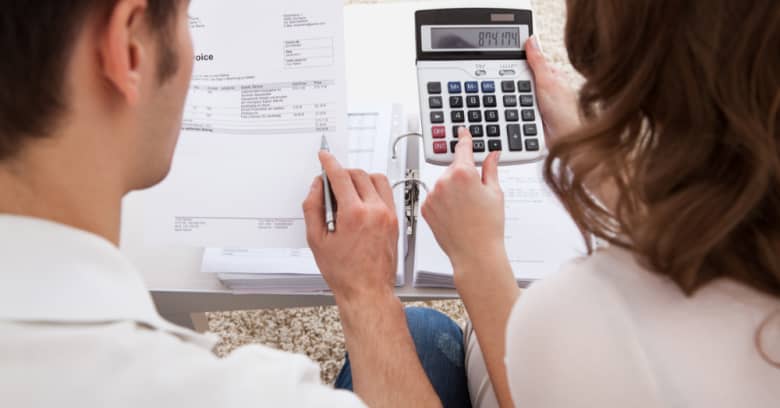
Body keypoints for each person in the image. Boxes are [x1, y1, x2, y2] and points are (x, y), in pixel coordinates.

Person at [0, 1, 466, 407]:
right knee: (424, 331)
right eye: (189, 20)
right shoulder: (243, 394)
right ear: (129, 49)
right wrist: (367, 294)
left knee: (424, 329)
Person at [370, 0, 779, 407]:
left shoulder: (573, 315)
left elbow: (531, 388)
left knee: (419, 329)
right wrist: (596, 163)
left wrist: (475, 259)